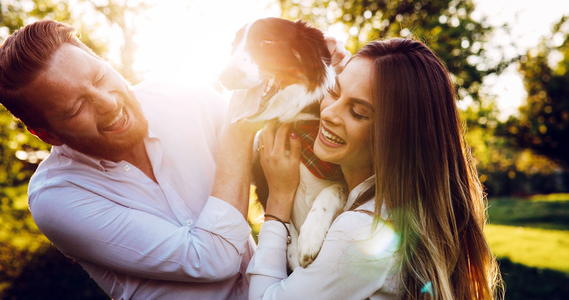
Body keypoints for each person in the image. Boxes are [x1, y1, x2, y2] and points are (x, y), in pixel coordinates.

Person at [0, 20, 258, 299]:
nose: (108, 104)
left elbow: (281, 161)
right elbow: (209, 259)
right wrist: (238, 136)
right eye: (76, 108)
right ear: (47, 134)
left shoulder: (185, 97)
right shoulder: (57, 195)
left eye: (99, 78)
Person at [248, 38, 503, 299]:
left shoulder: (361, 231)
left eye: (358, 112)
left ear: (396, 137)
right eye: (334, 92)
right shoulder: (401, 209)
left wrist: (277, 201)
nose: (329, 114)